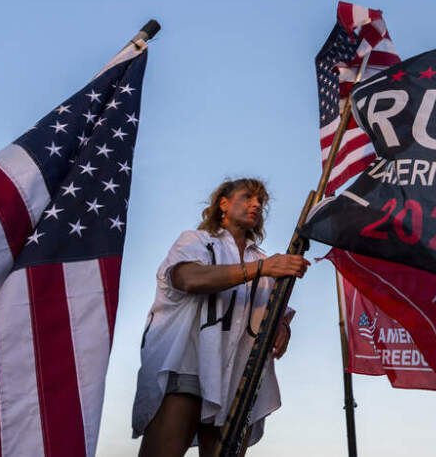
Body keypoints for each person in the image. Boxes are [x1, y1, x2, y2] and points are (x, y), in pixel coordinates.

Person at [132, 178, 310, 457]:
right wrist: (262, 268)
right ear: (223, 204)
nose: (256, 205)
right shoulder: (197, 241)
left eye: (260, 201)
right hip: (189, 364)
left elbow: (279, 311)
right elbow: (187, 278)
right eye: (248, 197)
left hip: (239, 374)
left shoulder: (263, 259)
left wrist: (283, 327)